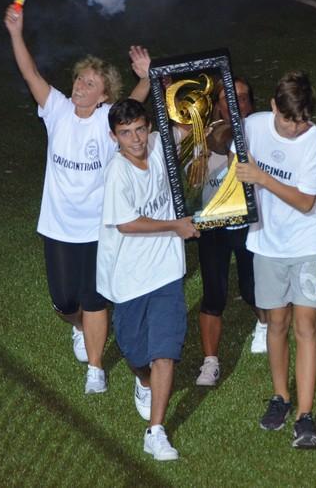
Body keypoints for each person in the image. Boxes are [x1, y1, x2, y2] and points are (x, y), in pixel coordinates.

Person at [4, 4, 151, 394]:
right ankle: (79, 328)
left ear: (104, 95)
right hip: (57, 226)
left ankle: (97, 369)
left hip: (97, 228)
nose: (80, 86)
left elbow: (133, 107)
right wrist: (17, 33)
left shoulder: (107, 121)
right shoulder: (56, 110)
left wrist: (147, 78)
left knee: (94, 298)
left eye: (89, 84)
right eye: (79, 80)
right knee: (65, 301)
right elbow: (30, 73)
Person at [96, 99, 199, 461]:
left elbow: (192, 126)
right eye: (126, 133)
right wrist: (175, 225)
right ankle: (142, 381)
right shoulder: (117, 173)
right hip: (129, 279)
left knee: (165, 352)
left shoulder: (159, 143)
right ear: (114, 136)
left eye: (140, 129)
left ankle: (155, 431)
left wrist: (163, 83)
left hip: (167, 272)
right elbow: (127, 224)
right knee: (136, 352)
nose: (136, 139)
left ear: (148, 127)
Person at [234, 71, 316, 449]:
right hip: (267, 243)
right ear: (273, 106)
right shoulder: (254, 126)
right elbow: (231, 158)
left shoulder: (314, 141)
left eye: (302, 120)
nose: (294, 128)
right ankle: (281, 397)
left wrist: (261, 176)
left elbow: (307, 202)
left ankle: (305, 418)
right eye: (288, 119)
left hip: (308, 243)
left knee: (305, 325)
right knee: (276, 321)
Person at [195, 77, 268, 388]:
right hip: (214, 221)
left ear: (251, 103)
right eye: (228, 97)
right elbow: (219, 141)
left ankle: (264, 325)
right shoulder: (203, 134)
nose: (236, 103)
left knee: (253, 287)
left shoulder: (262, 132)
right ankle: (210, 361)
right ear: (216, 104)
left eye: (242, 97)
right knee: (213, 293)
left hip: (251, 221)